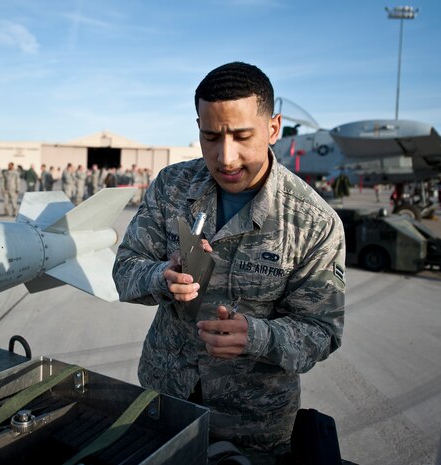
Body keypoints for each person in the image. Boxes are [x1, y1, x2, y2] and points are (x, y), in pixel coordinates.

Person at [112, 62, 346, 464]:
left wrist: (255, 336)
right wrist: (159, 277)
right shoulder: (172, 187)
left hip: (252, 426)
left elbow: (322, 331)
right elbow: (125, 269)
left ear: (273, 128)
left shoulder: (314, 222)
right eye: (210, 136)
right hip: (165, 399)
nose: (226, 157)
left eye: (242, 136)